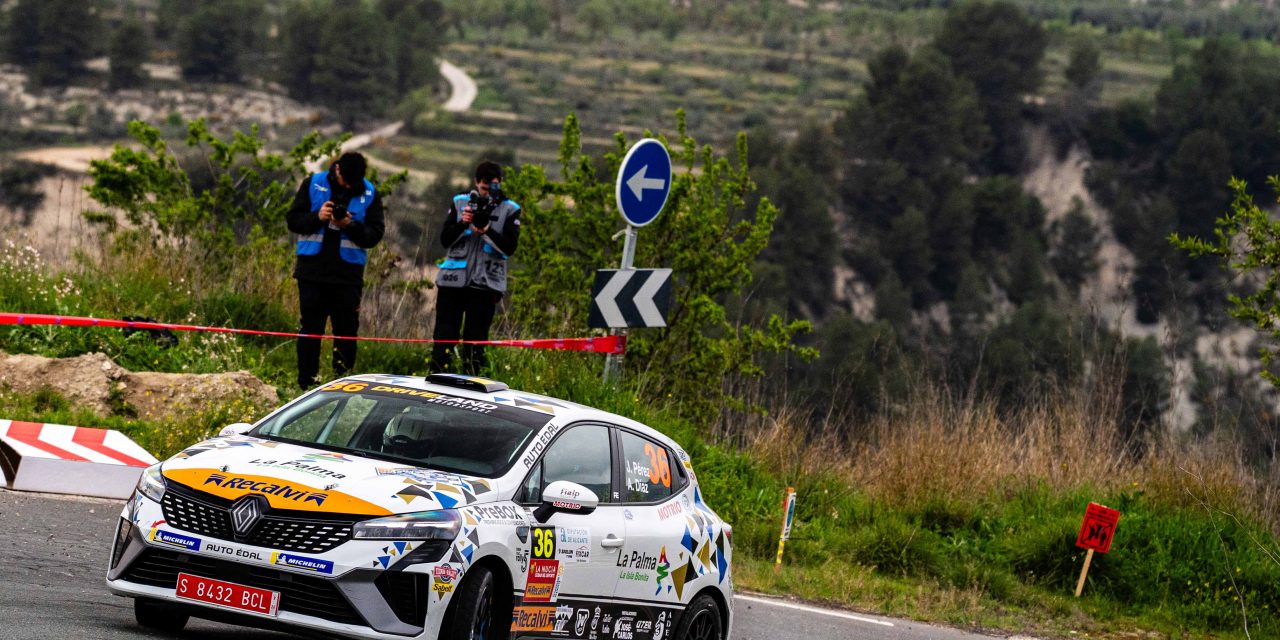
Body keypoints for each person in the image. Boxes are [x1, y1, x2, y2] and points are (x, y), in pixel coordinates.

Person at [286, 151, 385, 389]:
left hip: (347, 277)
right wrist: (317, 216)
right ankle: (306, 384)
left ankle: (342, 385)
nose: (350, 186)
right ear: (337, 168)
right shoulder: (313, 184)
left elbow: (374, 235)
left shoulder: (370, 193)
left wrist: (349, 225)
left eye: (354, 182)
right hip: (312, 273)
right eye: (346, 181)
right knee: (310, 330)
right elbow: (292, 220)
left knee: (346, 333)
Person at [430, 161, 521, 374]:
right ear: (476, 183)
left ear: (500, 184)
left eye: (493, 188)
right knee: (444, 337)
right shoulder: (460, 202)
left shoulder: (510, 209)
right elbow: (444, 239)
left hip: (485, 285)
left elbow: (509, 247)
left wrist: (487, 230)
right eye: (484, 188)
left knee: (476, 341)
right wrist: (463, 223)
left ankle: (472, 384)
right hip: (453, 281)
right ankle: (438, 376)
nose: (488, 193)